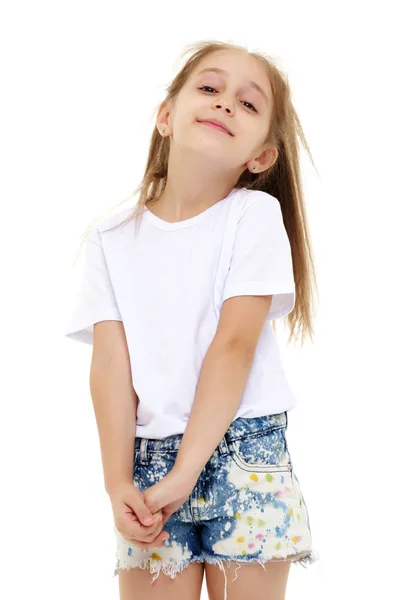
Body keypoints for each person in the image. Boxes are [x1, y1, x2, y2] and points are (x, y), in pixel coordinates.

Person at [64, 40, 319, 600]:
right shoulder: (111, 239)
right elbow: (110, 366)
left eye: (248, 104)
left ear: (261, 157)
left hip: (243, 457)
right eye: (208, 88)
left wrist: (185, 471)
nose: (225, 103)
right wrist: (118, 482)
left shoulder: (253, 216)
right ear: (165, 117)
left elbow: (234, 346)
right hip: (149, 461)